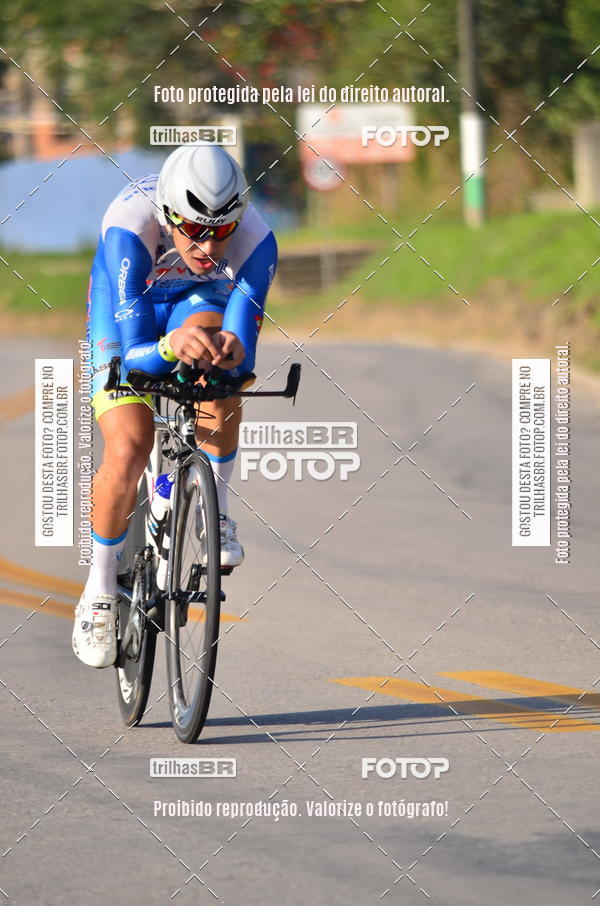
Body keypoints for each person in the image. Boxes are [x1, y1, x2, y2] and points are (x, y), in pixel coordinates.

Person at [72, 145, 277, 668]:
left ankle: (217, 512)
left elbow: (243, 341)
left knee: (220, 362)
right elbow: (137, 343)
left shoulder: (257, 242)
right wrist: (169, 348)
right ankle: (98, 588)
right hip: (127, 308)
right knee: (129, 445)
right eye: (193, 229)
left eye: (222, 230)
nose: (208, 245)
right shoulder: (128, 227)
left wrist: (228, 352)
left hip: (195, 300)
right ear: (168, 216)